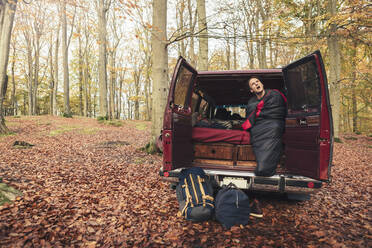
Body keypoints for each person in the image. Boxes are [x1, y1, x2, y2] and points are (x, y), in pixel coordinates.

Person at [243, 77, 287, 218]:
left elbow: (279, 110)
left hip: (273, 123)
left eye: (257, 82)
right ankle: (263, 167)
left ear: (261, 84)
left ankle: (264, 168)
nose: (256, 84)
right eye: (253, 84)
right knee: (255, 133)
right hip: (259, 127)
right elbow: (250, 115)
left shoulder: (274, 94)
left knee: (275, 128)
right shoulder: (251, 102)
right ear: (251, 90)